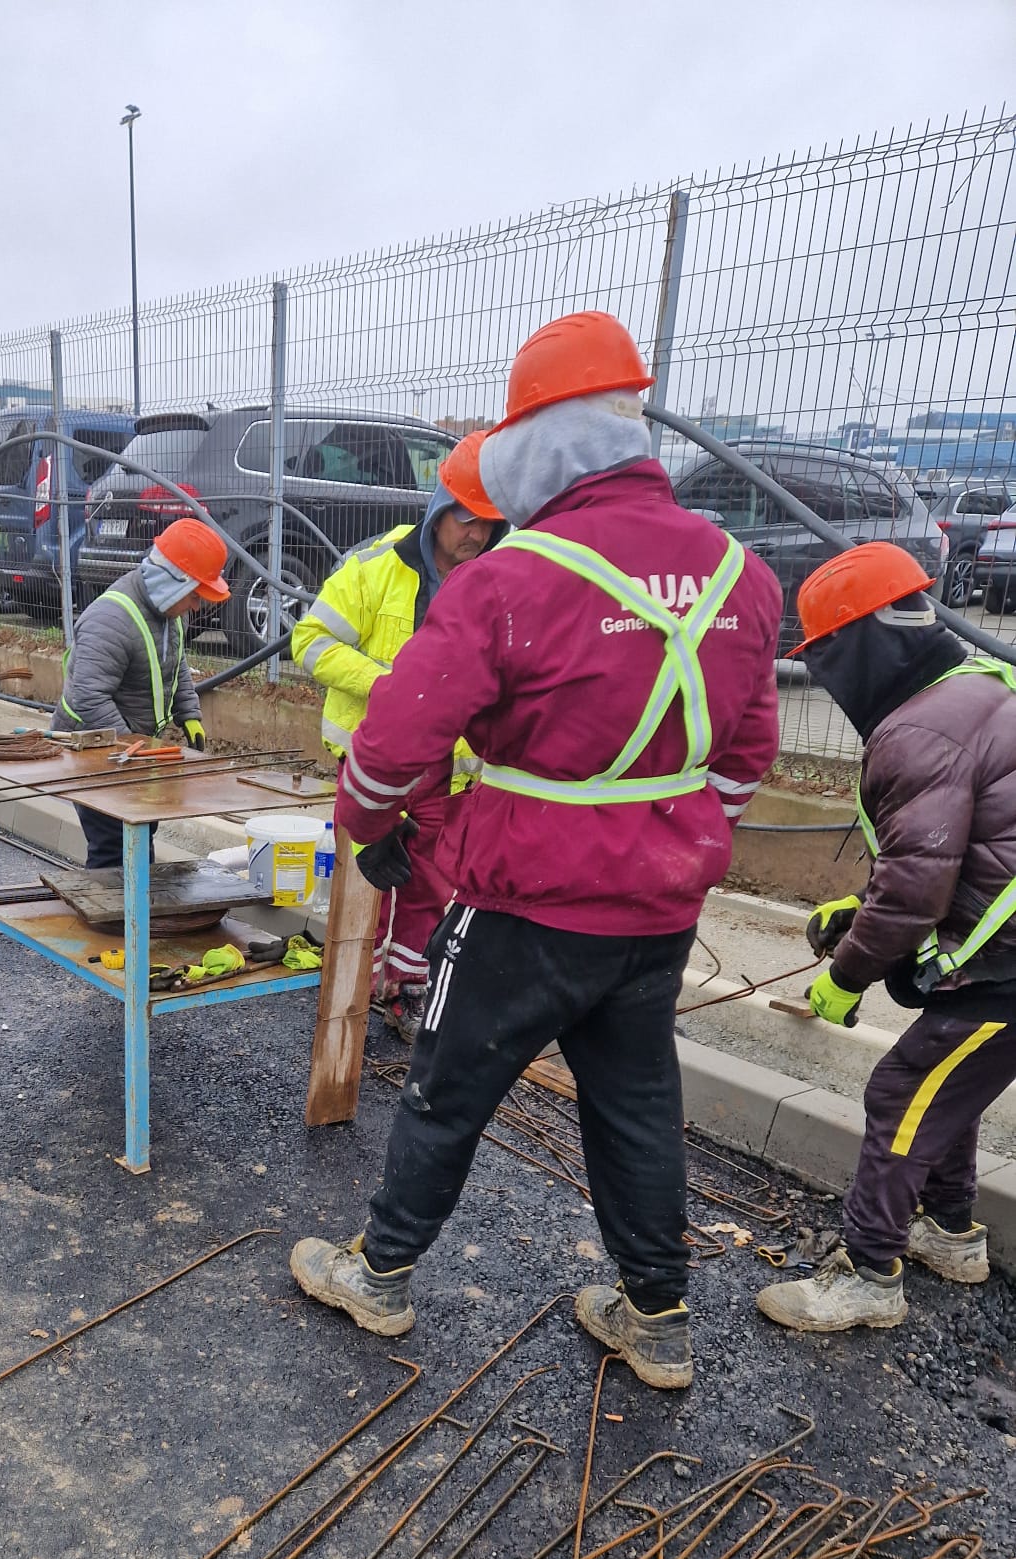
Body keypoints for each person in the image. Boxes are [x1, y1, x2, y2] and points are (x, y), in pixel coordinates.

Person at [290, 311, 782, 1390]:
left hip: (524, 897)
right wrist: (672, 836)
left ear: (537, 443)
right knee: (637, 1103)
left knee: (446, 1086)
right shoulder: (741, 574)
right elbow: (746, 755)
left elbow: (393, 742)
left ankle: (379, 1274)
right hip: (657, 909)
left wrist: (370, 830)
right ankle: (657, 1319)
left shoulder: (512, 581)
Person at [756, 543, 1016, 1332]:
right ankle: (950, 1231)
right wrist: (857, 911)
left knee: (901, 1090)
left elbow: (914, 891)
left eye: (824, 658)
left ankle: (870, 1274)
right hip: (1001, 955)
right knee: (943, 1087)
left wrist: (846, 975)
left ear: (857, 646)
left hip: (1006, 971)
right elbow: (947, 856)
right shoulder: (977, 688)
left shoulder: (917, 733)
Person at [291, 431, 502, 1039]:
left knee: (430, 881)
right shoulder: (374, 568)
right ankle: (352, 985)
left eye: (489, 522)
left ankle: (407, 985)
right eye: (466, 518)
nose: (476, 534)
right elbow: (310, 642)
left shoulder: (496, 580)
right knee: (365, 879)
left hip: (448, 769)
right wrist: (389, 687)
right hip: (374, 757)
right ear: (440, 508)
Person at [53, 518, 230, 868]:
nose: (197, 606)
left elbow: (175, 665)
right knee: (113, 848)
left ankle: (137, 901)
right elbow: (88, 697)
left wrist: (189, 714)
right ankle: (115, 904)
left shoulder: (169, 614)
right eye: (195, 595)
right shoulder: (110, 619)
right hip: (94, 754)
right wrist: (133, 749)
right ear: (172, 583)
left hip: (130, 753)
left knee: (139, 835)